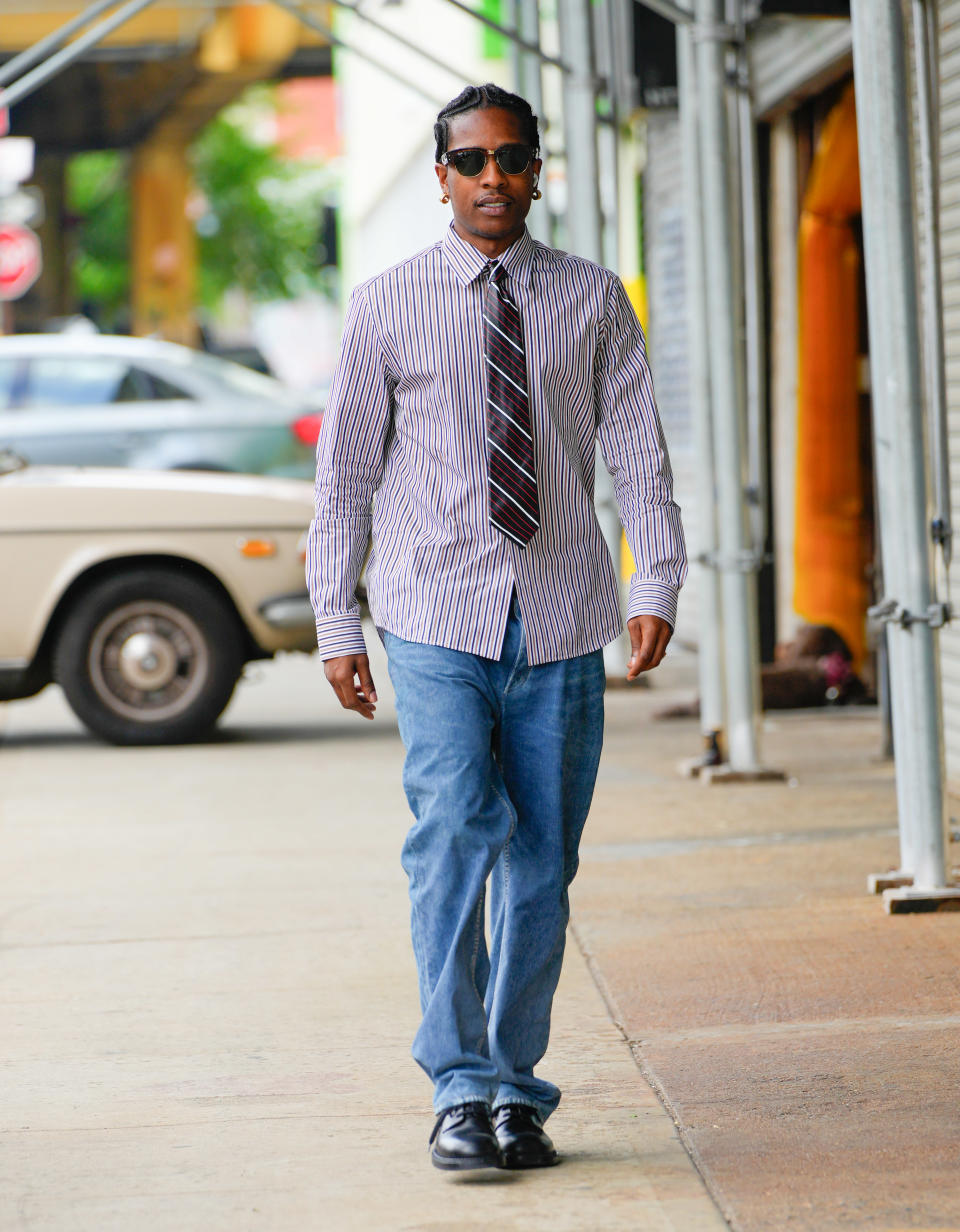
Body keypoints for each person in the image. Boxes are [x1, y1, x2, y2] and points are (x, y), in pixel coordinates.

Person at [306, 83, 686, 1172]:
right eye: (469, 161)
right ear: (440, 177)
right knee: (450, 841)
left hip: (563, 612)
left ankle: (517, 1086)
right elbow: (345, 479)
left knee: (541, 864)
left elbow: (638, 455)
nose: (491, 179)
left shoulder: (594, 298)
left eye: (510, 159)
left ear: (535, 171)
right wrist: (338, 617)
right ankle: (459, 1086)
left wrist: (655, 582)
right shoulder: (386, 303)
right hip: (433, 615)